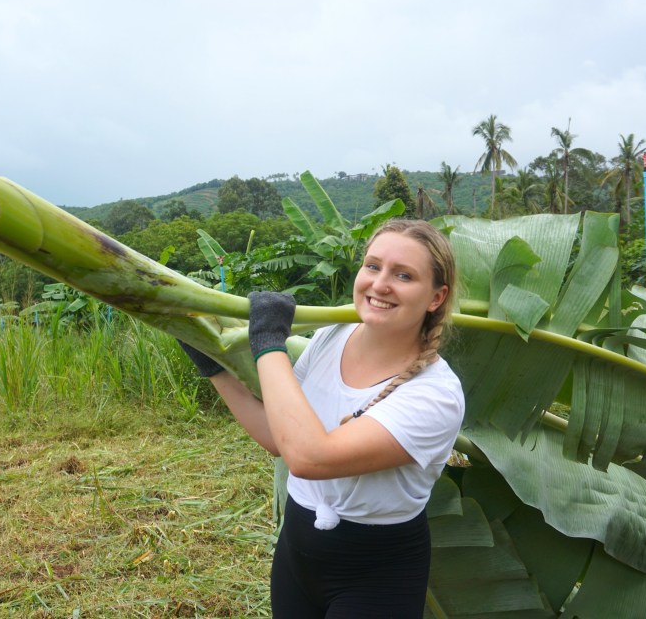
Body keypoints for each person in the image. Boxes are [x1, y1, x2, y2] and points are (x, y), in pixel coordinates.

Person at [180, 219, 464, 618]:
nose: (380, 284)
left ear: (436, 297)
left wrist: (268, 344)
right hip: (297, 552)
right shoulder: (333, 336)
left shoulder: (437, 395)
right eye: (372, 266)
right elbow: (280, 438)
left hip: (376, 573)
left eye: (403, 275)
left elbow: (310, 458)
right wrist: (216, 369)